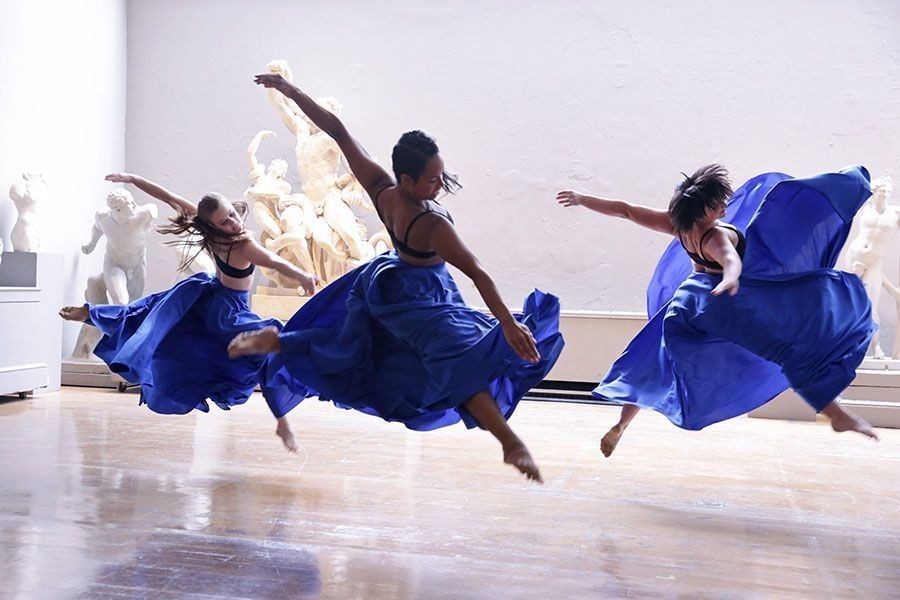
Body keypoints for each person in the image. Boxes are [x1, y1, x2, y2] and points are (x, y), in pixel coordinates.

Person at [229, 72, 565, 483]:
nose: (440, 185)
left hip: (386, 281)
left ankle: (282, 340)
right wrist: (508, 324)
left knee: (358, 350)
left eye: (441, 174)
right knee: (461, 363)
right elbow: (478, 273)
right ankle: (509, 442)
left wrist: (289, 90)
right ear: (407, 179)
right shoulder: (433, 225)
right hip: (421, 300)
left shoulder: (382, 189)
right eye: (432, 179)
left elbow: (337, 130)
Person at [556, 164, 878, 457]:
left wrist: (583, 199)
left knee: (653, 360)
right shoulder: (715, 234)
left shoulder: (678, 225)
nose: (724, 207)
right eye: (717, 204)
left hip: (684, 303)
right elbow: (729, 258)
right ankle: (835, 414)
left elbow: (626, 211)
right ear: (701, 210)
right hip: (717, 303)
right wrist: (730, 278)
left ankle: (621, 425)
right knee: (786, 349)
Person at [60, 173, 317, 450]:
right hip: (229, 314)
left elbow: (168, 197)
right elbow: (272, 260)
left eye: (232, 215)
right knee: (268, 350)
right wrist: (302, 275)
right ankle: (282, 421)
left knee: (151, 314)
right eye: (224, 221)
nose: (232, 222)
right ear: (212, 224)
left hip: (208, 298)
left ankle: (91, 314)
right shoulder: (243, 244)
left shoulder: (210, 230)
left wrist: (132, 178)